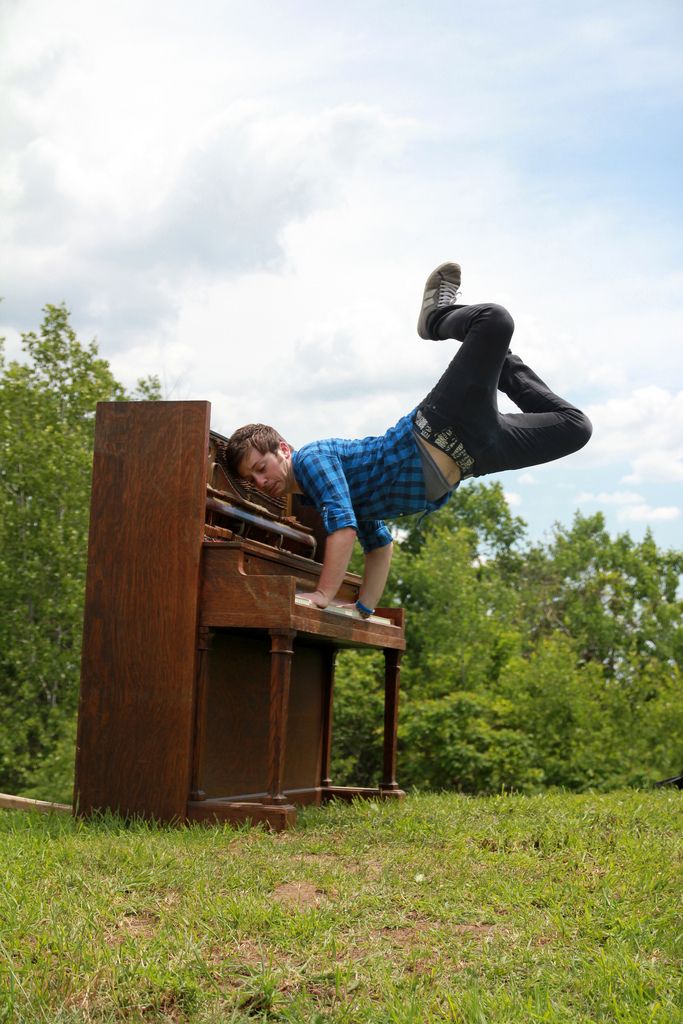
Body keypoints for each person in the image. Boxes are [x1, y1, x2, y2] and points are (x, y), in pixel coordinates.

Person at [226, 262, 592, 617]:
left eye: (261, 467)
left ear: (283, 449)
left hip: (440, 427)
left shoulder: (310, 460)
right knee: (576, 428)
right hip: (475, 455)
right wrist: (364, 608)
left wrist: (323, 595)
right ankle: (497, 360)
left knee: (494, 320)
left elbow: (344, 528)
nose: (260, 482)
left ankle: (436, 318)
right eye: (251, 480)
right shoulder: (322, 493)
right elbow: (379, 544)